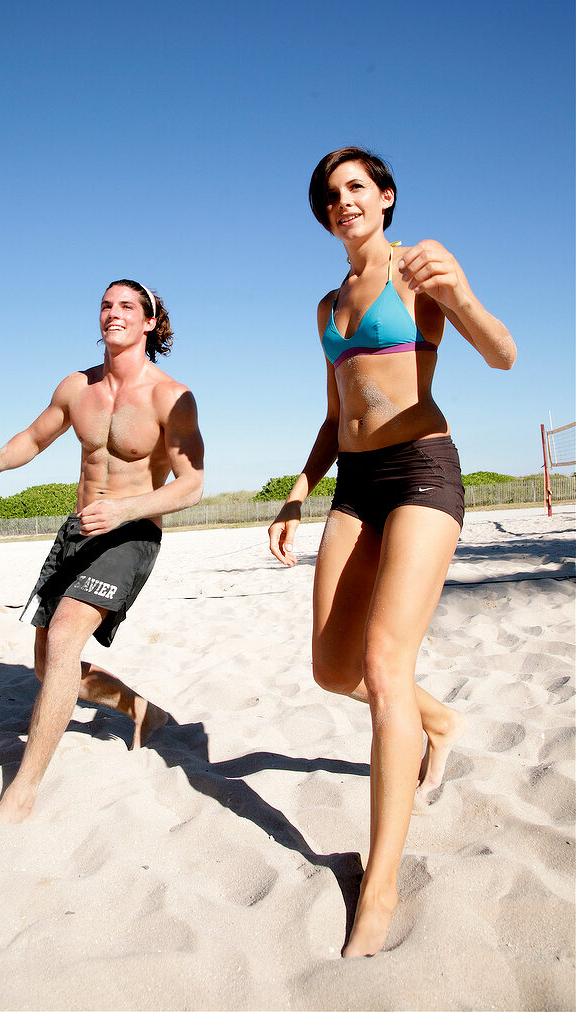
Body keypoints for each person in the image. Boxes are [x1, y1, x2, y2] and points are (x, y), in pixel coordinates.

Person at [268, 148, 516, 958]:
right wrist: (301, 488)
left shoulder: (418, 271)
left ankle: (378, 885)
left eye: (355, 188)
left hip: (420, 470)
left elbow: (501, 352)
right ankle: (437, 722)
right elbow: (333, 408)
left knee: (381, 667)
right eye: (330, 194)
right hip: (354, 484)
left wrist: (461, 293)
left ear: (385, 197)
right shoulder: (324, 306)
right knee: (332, 670)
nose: (343, 202)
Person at [0, 280, 204, 823]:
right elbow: (34, 436)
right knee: (48, 664)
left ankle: (23, 789)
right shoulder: (77, 387)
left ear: (149, 322)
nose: (112, 313)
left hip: (130, 532)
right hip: (77, 530)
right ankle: (141, 711)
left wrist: (125, 509)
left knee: (69, 635)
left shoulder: (169, 396)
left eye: (126, 306)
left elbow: (191, 484)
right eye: (105, 304)